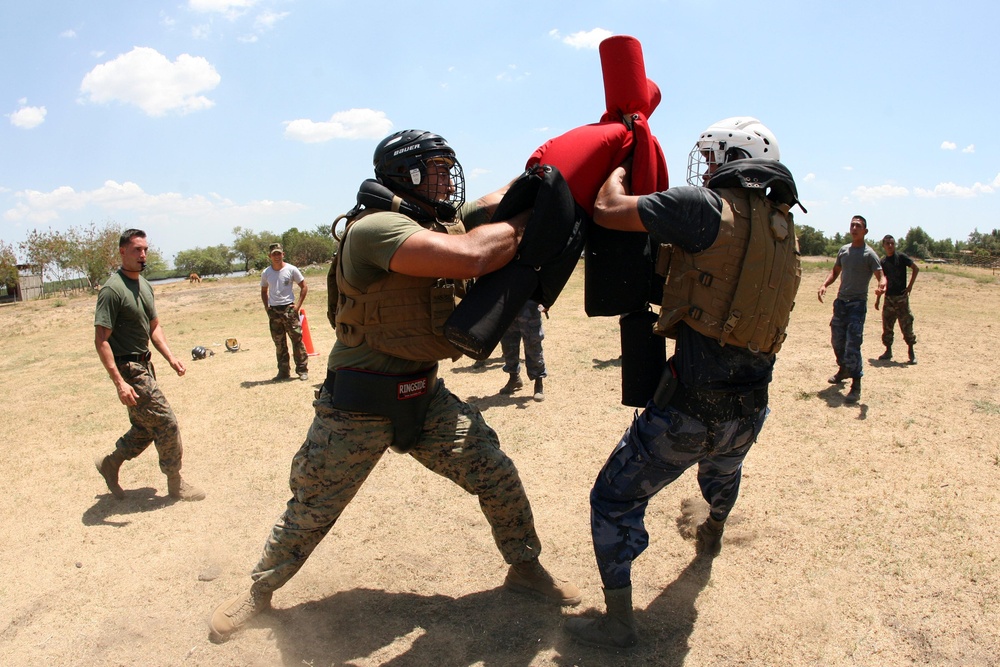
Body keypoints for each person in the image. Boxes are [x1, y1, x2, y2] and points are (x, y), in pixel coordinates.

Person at [210, 129, 580, 642]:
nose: (448, 179)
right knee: (313, 506)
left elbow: (497, 198)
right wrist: (534, 221)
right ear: (404, 173)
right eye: (436, 169)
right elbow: (474, 255)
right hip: (359, 404)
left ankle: (525, 568)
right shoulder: (377, 229)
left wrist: (555, 173)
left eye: (449, 168)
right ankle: (258, 592)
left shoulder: (434, 220)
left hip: (423, 394)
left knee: (495, 473)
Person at [565, 117, 804, 648]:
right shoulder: (783, 226)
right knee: (721, 472)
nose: (707, 168)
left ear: (729, 157)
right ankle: (713, 529)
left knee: (612, 500)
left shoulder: (703, 208)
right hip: (748, 412)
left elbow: (608, 210)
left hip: (688, 411)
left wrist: (619, 166)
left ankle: (619, 622)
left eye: (712, 157)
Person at [93, 229, 205, 502]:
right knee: (166, 423)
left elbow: (154, 326)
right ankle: (175, 483)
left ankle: (111, 463)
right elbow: (101, 341)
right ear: (122, 252)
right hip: (129, 368)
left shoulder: (144, 284)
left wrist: (170, 357)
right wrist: (120, 382)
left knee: (145, 427)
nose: (143, 255)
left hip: (145, 365)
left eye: (145, 250)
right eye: (136, 250)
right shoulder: (112, 289)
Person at [818, 215, 887, 403]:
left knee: (853, 345)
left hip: (857, 304)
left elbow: (881, 275)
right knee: (837, 340)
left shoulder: (869, 254)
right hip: (841, 303)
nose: (854, 228)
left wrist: (882, 285)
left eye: (858, 226)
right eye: (852, 225)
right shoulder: (844, 251)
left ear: (865, 231)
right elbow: (835, 271)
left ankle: (856, 385)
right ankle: (843, 369)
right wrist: (825, 284)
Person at [260, 243, 309, 381]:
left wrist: (297, 306)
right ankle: (283, 372)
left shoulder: (291, 269)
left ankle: (302, 370)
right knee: (279, 343)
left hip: (289, 309)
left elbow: (304, 287)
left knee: (297, 340)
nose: (276, 256)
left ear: (283, 254)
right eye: (274, 254)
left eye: (278, 253)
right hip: (274, 311)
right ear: (269, 256)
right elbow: (264, 291)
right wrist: (267, 307)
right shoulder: (266, 273)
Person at [876, 234, 918, 364]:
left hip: (901, 298)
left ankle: (911, 351)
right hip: (888, 298)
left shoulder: (901, 257)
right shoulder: (882, 262)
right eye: (887, 244)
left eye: (892, 243)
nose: (890, 246)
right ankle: (888, 351)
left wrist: (909, 286)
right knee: (887, 325)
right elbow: (882, 281)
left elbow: (916, 268)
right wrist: (878, 299)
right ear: (883, 246)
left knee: (906, 324)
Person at [498, 299, 548, 401]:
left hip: (530, 304)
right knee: (508, 344)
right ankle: (514, 378)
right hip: (508, 305)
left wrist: (546, 302)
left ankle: (538, 384)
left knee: (533, 345)